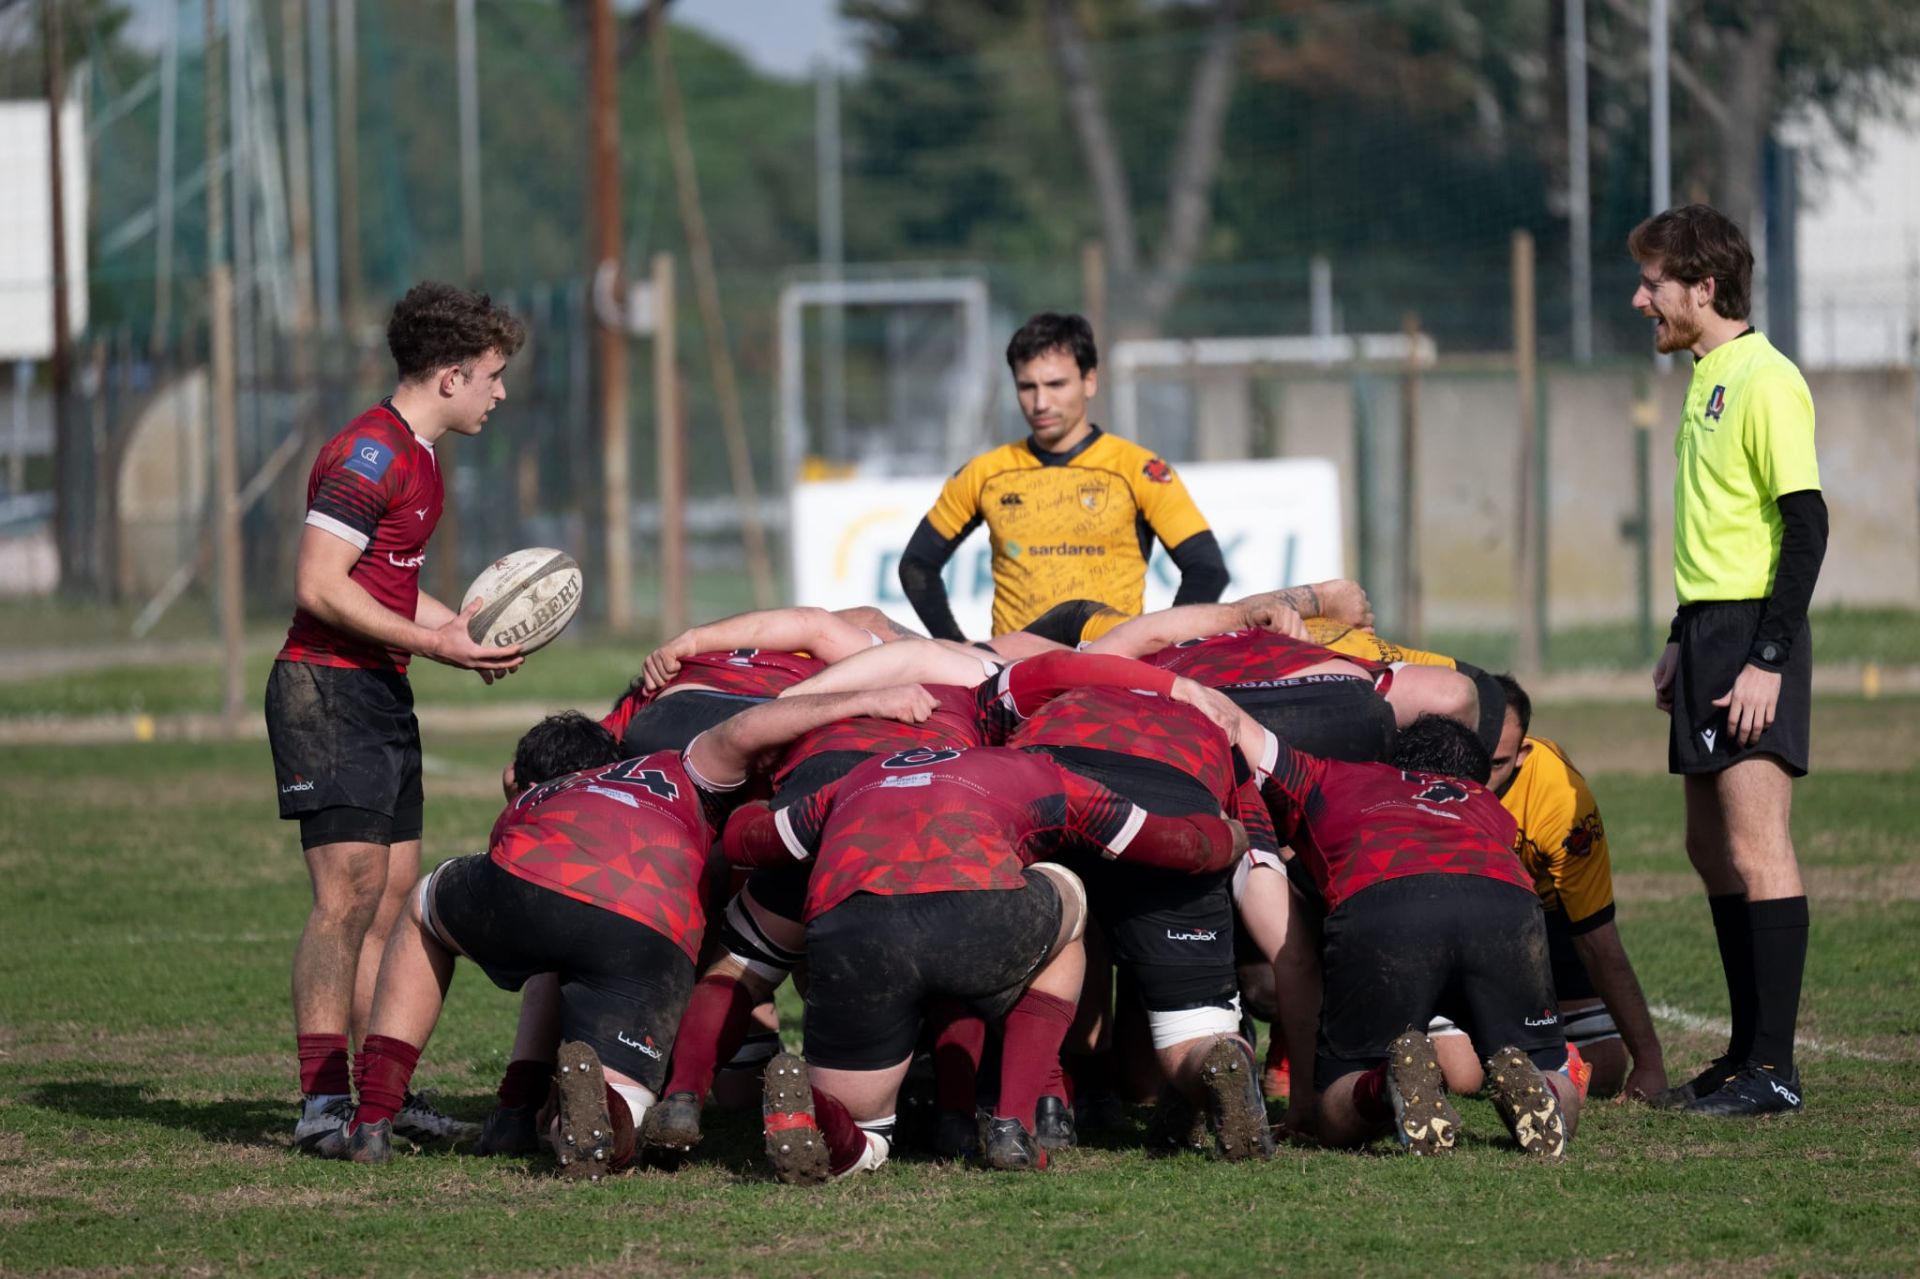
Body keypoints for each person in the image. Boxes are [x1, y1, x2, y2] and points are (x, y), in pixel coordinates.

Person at [339, 687, 936, 1171]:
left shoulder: (552, 788)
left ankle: (372, 1120)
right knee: (625, 1100)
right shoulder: (683, 771)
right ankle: (605, 1121)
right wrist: (865, 700)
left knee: (424, 911)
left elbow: (743, 729)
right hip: (651, 919)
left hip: (541, 870)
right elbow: (746, 732)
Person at [263, 282, 527, 1156]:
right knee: (344, 901)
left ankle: (381, 1097)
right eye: (491, 377)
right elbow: (317, 583)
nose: (499, 394)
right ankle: (320, 1106)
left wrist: (456, 632)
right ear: (450, 375)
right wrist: (437, 643)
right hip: (325, 690)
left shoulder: (419, 455)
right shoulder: (369, 455)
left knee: (390, 909)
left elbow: (386, 579)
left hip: (378, 688)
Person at [723, 745, 1245, 1180]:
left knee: (866, 1136)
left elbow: (747, 842)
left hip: (853, 926)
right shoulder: (1034, 769)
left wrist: (753, 797)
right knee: (1070, 893)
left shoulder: (860, 776)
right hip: (977, 910)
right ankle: (1012, 1123)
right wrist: (1230, 837)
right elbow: (1173, 845)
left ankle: (825, 1124)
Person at [1630, 204, 1826, 1117]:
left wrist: (1768, 657)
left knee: (1755, 845)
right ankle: (1747, 1053)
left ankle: (1775, 1069)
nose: (1642, 300)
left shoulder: (1765, 379)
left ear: (1704, 288)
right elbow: (1718, 529)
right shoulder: (1705, 377)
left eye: (1653, 284)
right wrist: (1680, 636)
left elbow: (1805, 524)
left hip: (1753, 638)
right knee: (1706, 845)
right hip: (1709, 630)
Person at [1249, 715, 1583, 1158]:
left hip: (1386, 896)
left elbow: (1241, 729)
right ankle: (1544, 1088)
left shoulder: (1338, 774)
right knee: (1548, 1062)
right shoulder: (1486, 801)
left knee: (1336, 1110)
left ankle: (1382, 1086)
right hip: (1504, 899)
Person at [898, 312, 1228, 640]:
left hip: (1110, 673)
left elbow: (1207, 569)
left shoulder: (1138, 469)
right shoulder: (984, 473)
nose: (1041, 402)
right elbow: (917, 565)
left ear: (1089, 382)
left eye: (1056, 384)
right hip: (1017, 677)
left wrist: (1165, 645)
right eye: (1027, 387)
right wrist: (960, 648)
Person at [1428, 674, 1668, 1101]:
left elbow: (1597, 938)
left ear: (1522, 753)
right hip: (1448, 925)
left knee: (1607, 1066)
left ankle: (1507, 1040)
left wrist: (1649, 1061)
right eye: (1475, 758)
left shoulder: (1560, 800)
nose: (1479, 779)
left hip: (1536, 920)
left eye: (1497, 763)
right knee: (1461, 1076)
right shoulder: (1430, 771)